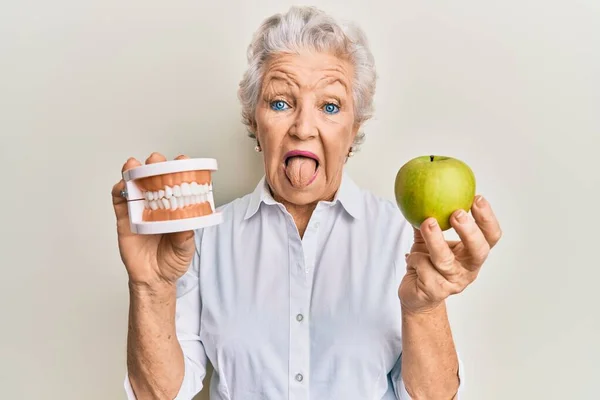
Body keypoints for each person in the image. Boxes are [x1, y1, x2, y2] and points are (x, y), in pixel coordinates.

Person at [111, 5, 502, 400]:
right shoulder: (202, 238)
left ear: (354, 130)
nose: (302, 128)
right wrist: (150, 288)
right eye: (281, 103)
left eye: (330, 107)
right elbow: (159, 395)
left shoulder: (403, 237)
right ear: (254, 121)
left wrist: (425, 309)